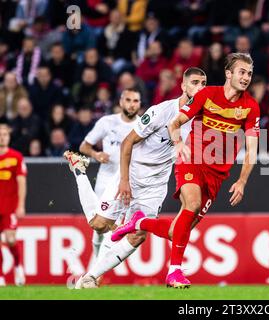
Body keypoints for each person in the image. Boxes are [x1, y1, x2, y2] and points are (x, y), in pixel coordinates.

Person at [113, 53, 260, 288]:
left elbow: (252, 149)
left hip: (217, 174)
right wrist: (179, 144)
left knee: (176, 231)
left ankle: (139, 223)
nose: (246, 77)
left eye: (249, 73)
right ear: (228, 73)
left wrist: (242, 181)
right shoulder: (206, 95)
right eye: (242, 72)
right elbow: (175, 123)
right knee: (191, 204)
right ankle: (174, 272)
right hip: (191, 160)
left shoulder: (250, 107)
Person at [66, 67, 207, 288]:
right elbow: (127, 142)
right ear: (183, 86)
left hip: (157, 182)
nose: (200, 88)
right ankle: (79, 171)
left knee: (138, 235)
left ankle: (89, 277)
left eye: (203, 84)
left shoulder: (200, 117)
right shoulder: (161, 111)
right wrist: (124, 180)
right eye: (195, 83)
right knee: (99, 225)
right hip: (132, 172)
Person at [75, 87, 141, 259]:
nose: (132, 105)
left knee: (116, 227)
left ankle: (96, 272)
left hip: (127, 181)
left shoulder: (143, 125)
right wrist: (96, 154)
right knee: (98, 227)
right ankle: (97, 262)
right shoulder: (107, 122)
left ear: (140, 104)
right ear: (120, 102)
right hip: (105, 179)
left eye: (135, 101)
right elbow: (84, 146)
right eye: (128, 100)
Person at [0, 124, 27, 286]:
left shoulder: (16, 157)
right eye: (0, 134)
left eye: (5, 134)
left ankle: (17, 266)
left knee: (10, 240)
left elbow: (21, 181)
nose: (2, 137)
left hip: (9, 205)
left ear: (9, 137)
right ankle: (1, 276)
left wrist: (21, 205)